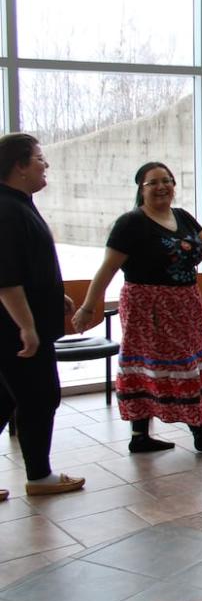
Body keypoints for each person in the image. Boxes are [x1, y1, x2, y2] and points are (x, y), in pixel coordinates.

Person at [73, 162, 202, 454]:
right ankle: (185, 433)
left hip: (185, 303)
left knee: (187, 364)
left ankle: (155, 434)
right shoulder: (131, 223)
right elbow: (107, 269)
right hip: (147, 306)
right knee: (147, 364)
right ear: (141, 189)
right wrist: (87, 307)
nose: (161, 187)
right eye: (153, 182)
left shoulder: (182, 217)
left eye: (167, 180)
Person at [0, 134, 86, 499]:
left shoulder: (19, 203)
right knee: (38, 397)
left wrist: (55, 295)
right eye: (38, 158)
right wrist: (27, 327)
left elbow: (29, 265)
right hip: (13, 329)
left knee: (13, 399)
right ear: (19, 165)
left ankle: (39, 473)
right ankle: (39, 476)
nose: (44, 164)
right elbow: (6, 279)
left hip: (21, 324)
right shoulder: (6, 208)